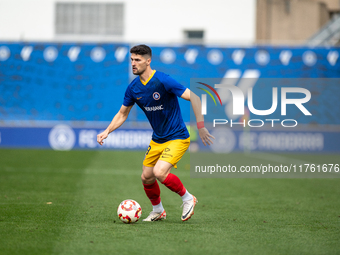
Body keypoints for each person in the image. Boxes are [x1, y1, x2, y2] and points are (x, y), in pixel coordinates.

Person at [97, 44, 214, 222]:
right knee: (146, 177)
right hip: (158, 139)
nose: (133, 64)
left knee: (160, 172)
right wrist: (107, 131)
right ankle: (158, 210)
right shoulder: (133, 88)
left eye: (137, 60)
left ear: (148, 61)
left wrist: (201, 126)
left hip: (177, 137)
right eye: (131, 60)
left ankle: (188, 198)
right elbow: (122, 113)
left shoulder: (163, 80)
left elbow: (195, 97)